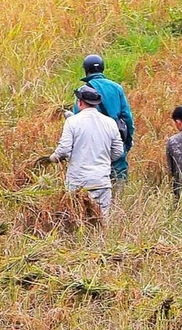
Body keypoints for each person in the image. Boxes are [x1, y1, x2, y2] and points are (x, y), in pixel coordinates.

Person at [46, 85, 126, 217]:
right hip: (101, 182)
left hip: (78, 183)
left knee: (78, 220)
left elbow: (64, 150)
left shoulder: (72, 122)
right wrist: (102, 159)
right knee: (101, 222)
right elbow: (118, 151)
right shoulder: (110, 123)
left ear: (80, 102)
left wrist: (52, 158)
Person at [78, 55, 135, 184]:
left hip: (92, 143)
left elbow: (78, 120)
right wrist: (128, 141)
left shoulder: (83, 91)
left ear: (86, 70)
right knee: (118, 176)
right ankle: (119, 203)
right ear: (102, 69)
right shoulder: (116, 88)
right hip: (115, 137)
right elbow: (127, 117)